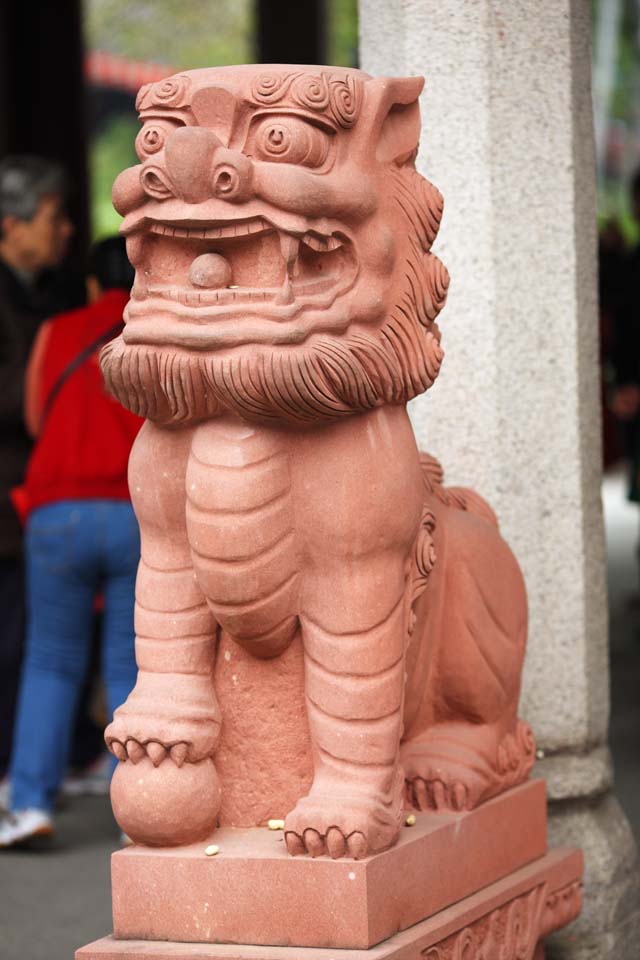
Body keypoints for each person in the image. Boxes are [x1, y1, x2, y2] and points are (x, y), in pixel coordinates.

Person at [0, 237, 142, 846]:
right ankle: (144, 811)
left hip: (57, 513)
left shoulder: (58, 330)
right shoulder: (153, 328)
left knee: (51, 660)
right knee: (132, 662)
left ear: (90, 282)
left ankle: (29, 803)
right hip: (135, 513)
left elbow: (36, 417)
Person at [0, 155, 78, 782]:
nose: (65, 231)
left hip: (37, 497)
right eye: (53, 217)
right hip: (11, 495)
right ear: (10, 226)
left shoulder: (53, 293)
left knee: (37, 636)